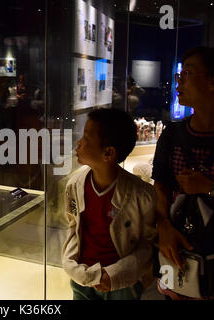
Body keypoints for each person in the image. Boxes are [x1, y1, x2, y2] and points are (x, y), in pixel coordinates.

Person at [152, 47, 214, 300]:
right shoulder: (172, 135)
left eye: (187, 73)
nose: (179, 80)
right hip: (180, 251)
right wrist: (164, 227)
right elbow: (161, 189)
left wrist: (209, 187)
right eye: (180, 74)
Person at [62, 108, 157, 300]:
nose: (79, 143)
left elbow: (149, 244)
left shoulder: (142, 195)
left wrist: (115, 275)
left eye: (87, 138)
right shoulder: (74, 185)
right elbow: (73, 226)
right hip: (83, 279)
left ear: (108, 153)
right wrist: (72, 265)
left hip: (121, 285)